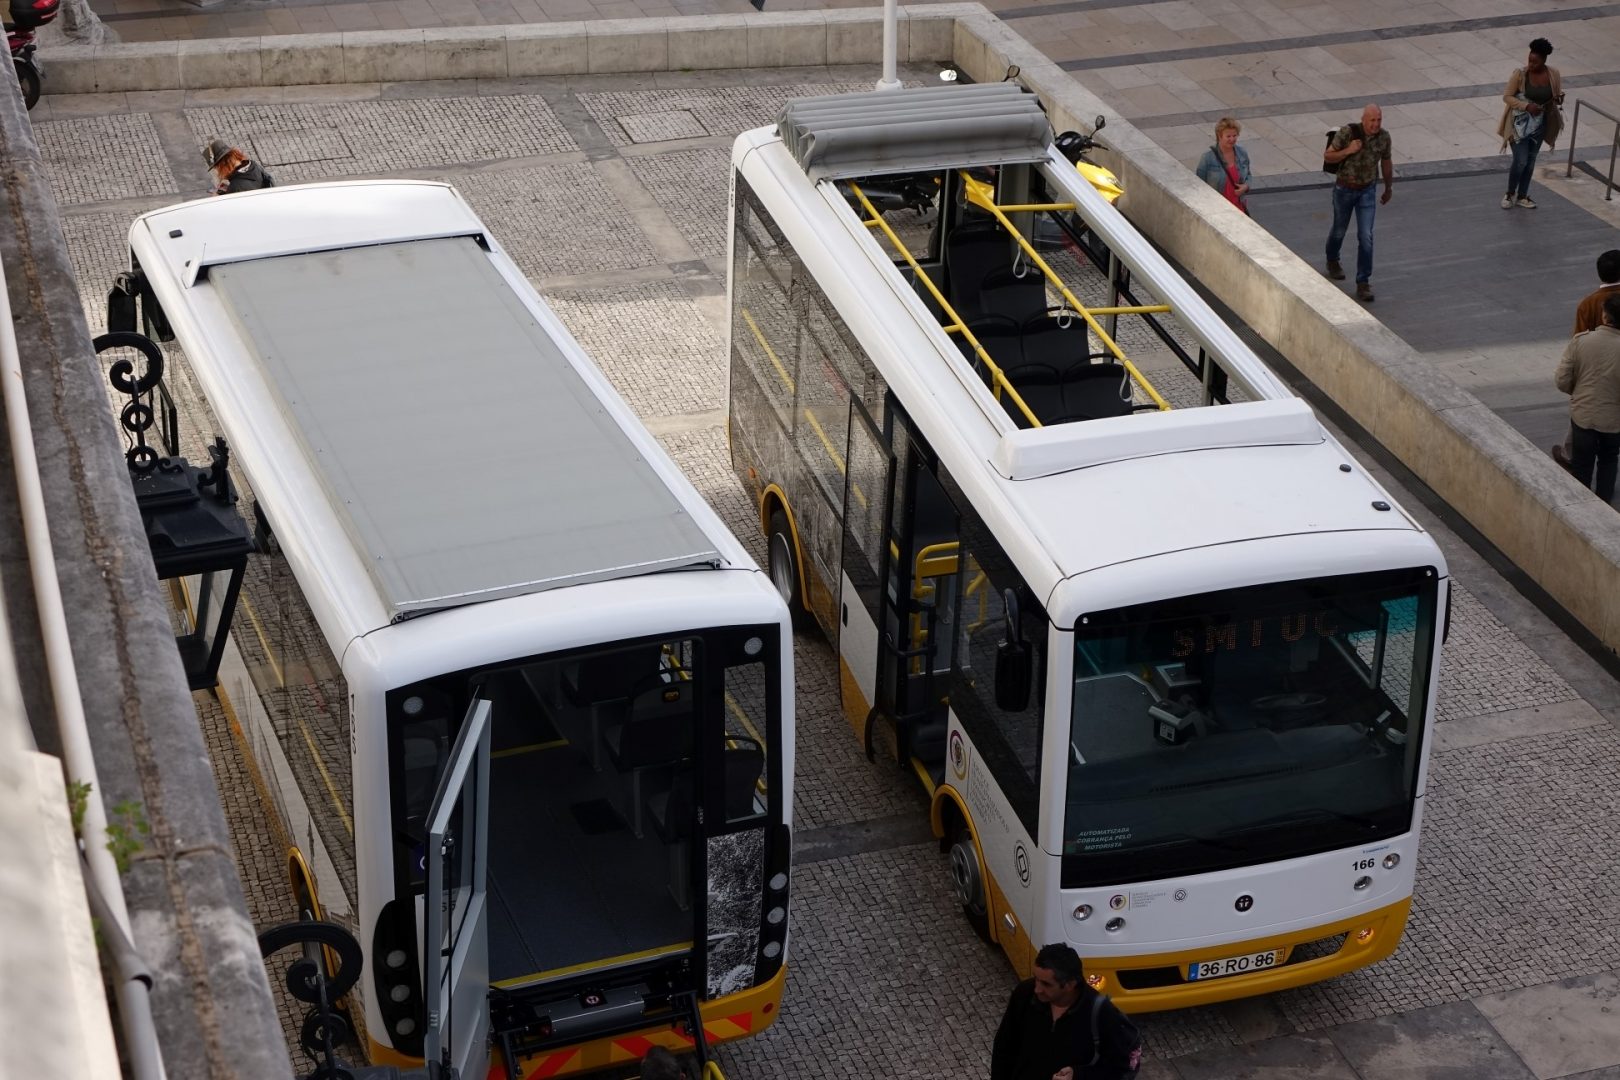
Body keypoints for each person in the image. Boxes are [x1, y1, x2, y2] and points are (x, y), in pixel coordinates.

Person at [991, 943, 1141, 1080]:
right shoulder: (1024, 993)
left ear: (1070, 985)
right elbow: (1004, 1047)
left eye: (1046, 984)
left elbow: (1118, 1069)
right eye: (1036, 978)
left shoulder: (1102, 1013)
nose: (1037, 989)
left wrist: (1078, 1075)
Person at [1552, 250, 1620, 468]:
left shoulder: (1589, 303)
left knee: (1584, 417)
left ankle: (1570, 457)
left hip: (1596, 375)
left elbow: (1577, 343)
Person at [1553, 292, 1620, 503]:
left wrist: (1579, 393)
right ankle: (1604, 503)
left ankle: (1581, 506)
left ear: (1605, 316)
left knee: (1582, 463)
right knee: (1609, 460)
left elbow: (1562, 379)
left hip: (1583, 414)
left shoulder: (1581, 341)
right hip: (1614, 419)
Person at [1323, 103, 1393, 303]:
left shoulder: (1384, 137)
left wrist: (1388, 188)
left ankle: (1363, 282)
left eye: (1379, 120)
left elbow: (1386, 162)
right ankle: (1332, 259)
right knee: (1339, 230)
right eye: (1372, 120)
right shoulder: (1348, 133)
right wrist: (1348, 150)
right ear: (1363, 119)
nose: (1376, 124)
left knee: (1366, 236)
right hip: (1344, 189)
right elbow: (1328, 155)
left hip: (1367, 191)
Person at [1498, 38, 1564, 210]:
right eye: (1529, 60)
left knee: (1531, 160)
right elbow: (1507, 97)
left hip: (1540, 125)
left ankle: (1522, 195)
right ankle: (1509, 193)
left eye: (1535, 62)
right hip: (1519, 125)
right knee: (1520, 160)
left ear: (1544, 60)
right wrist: (1526, 106)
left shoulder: (1553, 74)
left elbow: (1555, 96)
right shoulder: (1520, 74)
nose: (1531, 65)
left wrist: (1558, 99)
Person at [1194, 117, 1251, 214]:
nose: (1232, 139)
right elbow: (1199, 185)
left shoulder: (1242, 153)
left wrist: (1246, 186)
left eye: (1235, 135)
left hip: (1238, 208)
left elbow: (1248, 175)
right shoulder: (1208, 158)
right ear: (1219, 136)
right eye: (1228, 136)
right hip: (1216, 210)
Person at [203, 138, 274, 195]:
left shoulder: (235, 186)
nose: (218, 171)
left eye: (217, 168)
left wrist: (217, 197)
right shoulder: (253, 165)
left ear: (223, 165)